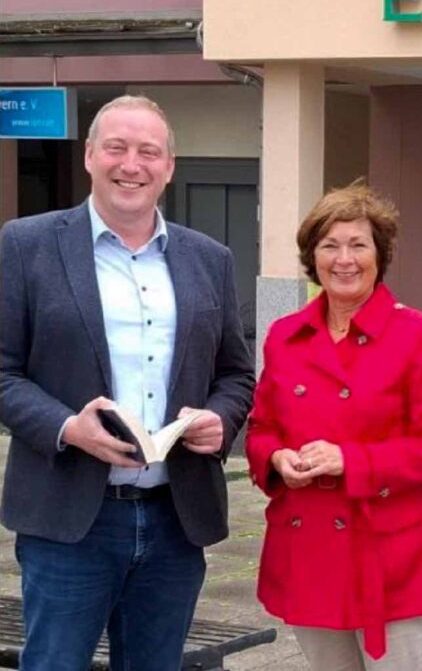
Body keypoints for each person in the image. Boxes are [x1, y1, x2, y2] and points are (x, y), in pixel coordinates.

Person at [0, 95, 255, 669]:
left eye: (148, 151)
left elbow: (236, 374)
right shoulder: (25, 245)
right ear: (90, 155)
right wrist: (67, 427)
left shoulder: (208, 258)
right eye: (116, 147)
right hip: (69, 521)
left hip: (175, 518)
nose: (130, 164)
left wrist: (221, 417)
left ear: (169, 165)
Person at [246, 181, 422, 670]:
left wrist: (352, 460)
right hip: (310, 546)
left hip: (387, 553)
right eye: (330, 245)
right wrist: (277, 459)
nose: (344, 259)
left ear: (379, 255)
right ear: (312, 257)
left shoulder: (417, 335)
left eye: (358, 245)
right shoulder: (285, 336)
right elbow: (262, 429)